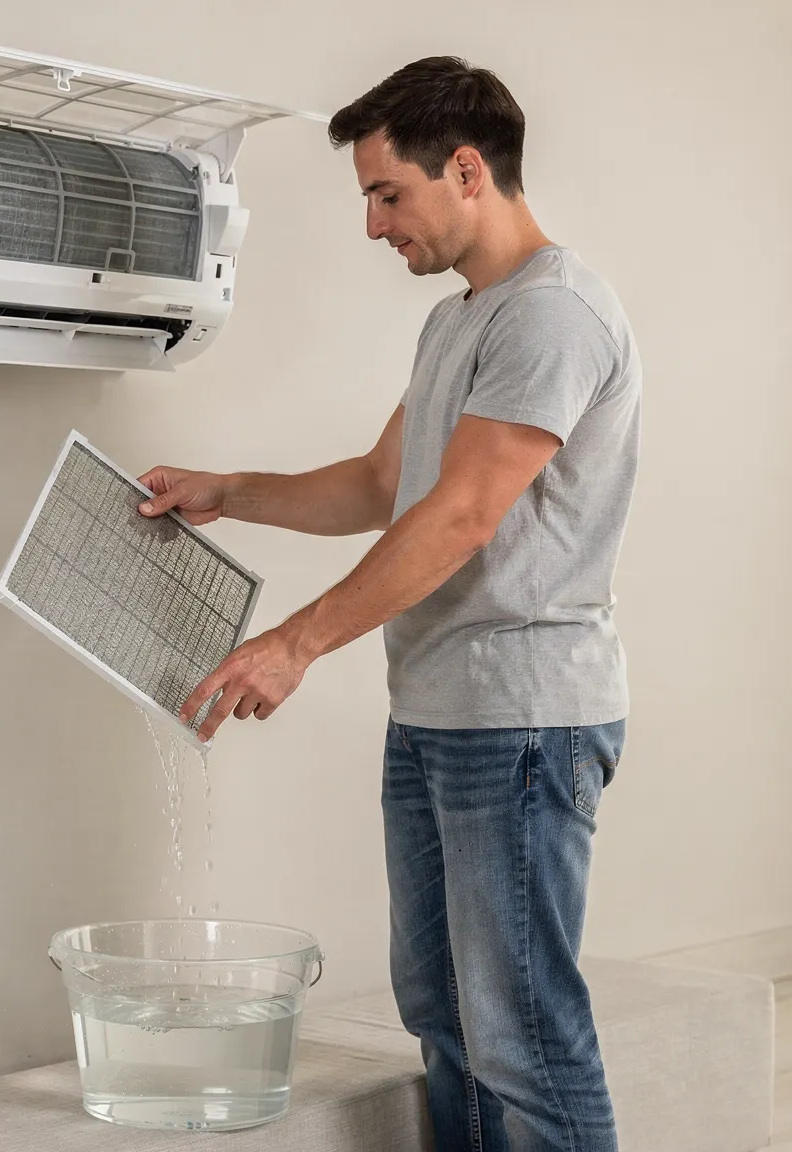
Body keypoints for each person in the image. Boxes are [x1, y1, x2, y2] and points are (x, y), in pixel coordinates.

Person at [134, 56, 643, 1152]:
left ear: (466, 171)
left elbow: (461, 516)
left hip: (522, 723)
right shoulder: (463, 318)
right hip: (439, 714)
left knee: (523, 1039)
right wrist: (229, 492)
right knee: (449, 1025)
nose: (371, 225)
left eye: (385, 193)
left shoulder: (550, 317)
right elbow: (384, 485)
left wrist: (295, 643)